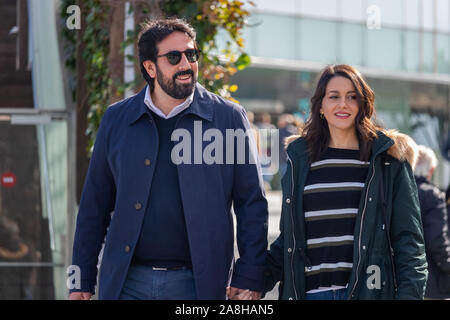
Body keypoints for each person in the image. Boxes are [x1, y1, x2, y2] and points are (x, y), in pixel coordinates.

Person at [69, 18, 268, 300]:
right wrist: (80, 279)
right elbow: (94, 205)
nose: (186, 65)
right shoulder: (117, 119)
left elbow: (251, 204)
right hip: (126, 283)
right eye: (174, 57)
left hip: (198, 285)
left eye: (191, 54)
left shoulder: (228, 119)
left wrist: (251, 275)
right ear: (150, 67)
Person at [232, 64, 428, 300]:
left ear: (362, 104)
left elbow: (409, 242)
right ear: (321, 105)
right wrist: (255, 284)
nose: (343, 104)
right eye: (334, 96)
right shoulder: (301, 160)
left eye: (352, 97)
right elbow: (289, 239)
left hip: (368, 294)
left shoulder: (387, 160)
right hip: (310, 294)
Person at [414, 145, 450, 299]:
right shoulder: (433, 195)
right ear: (430, 170)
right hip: (432, 281)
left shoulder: (397, 191)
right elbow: (437, 240)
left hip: (405, 280)